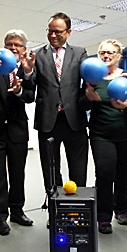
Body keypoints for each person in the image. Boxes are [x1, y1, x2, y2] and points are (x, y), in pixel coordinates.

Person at [22, 12, 89, 195]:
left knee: (78, 168)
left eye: (58, 32)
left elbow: (89, 80)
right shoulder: (38, 55)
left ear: (68, 32)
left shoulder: (79, 53)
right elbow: (30, 85)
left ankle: (76, 211)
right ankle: (55, 210)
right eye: (50, 31)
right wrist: (27, 72)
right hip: (48, 121)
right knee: (50, 169)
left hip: (74, 119)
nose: (53, 35)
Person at [0, 29, 35, 235]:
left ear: (24, 50)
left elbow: (30, 96)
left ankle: (17, 211)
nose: (13, 48)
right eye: (9, 44)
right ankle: (0, 217)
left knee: (17, 172)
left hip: (17, 129)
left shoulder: (28, 69)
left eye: (17, 45)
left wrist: (20, 90)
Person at [83, 39, 127, 234]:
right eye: (102, 53)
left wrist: (125, 107)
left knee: (123, 173)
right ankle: (103, 216)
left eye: (111, 52)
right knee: (105, 173)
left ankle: (122, 209)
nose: (106, 56)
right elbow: (83, 104)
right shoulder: (92, 78)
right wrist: (88, 98)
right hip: (101, 134)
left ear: (119, 55)